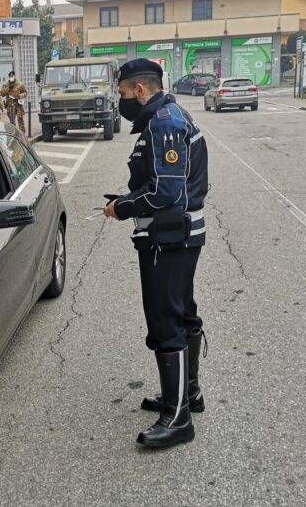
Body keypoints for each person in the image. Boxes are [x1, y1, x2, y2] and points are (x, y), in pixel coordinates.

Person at [103, 59, 209, 449]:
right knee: (181, 311)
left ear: (140, 90)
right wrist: (128, 198)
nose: (122, 100)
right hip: (175, 236)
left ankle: (177, 419)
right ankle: (186, 395)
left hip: (170, 239)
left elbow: (167, 194)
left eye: (123, 92)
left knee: (166, 320)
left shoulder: (163, 123)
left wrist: (125, 207)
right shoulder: (163, 117)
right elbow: (159, 183)